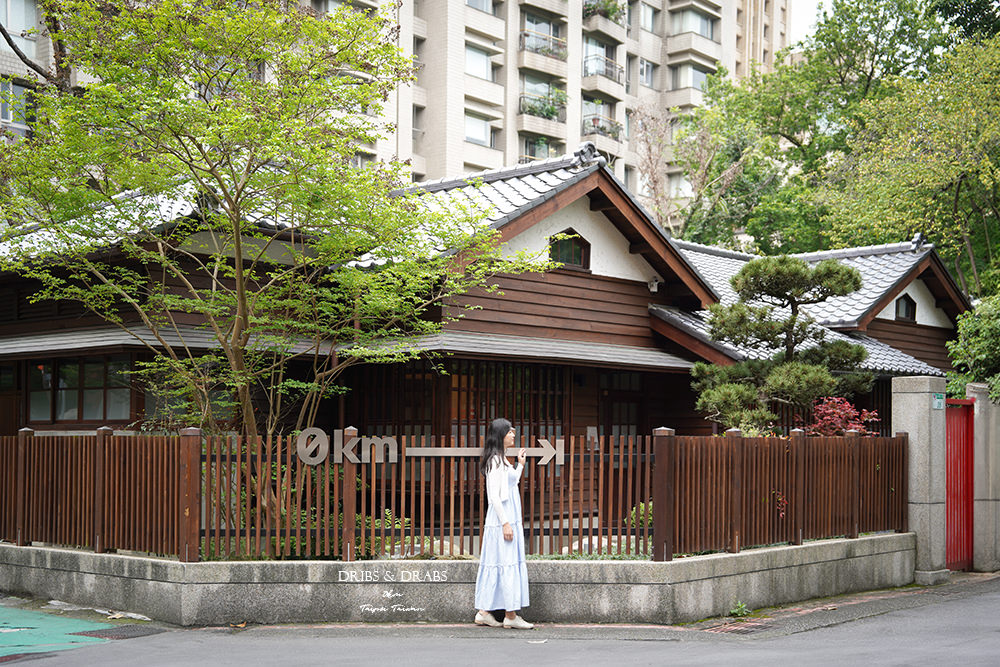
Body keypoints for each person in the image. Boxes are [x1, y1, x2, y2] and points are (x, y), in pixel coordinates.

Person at [474, 418, 533, 629]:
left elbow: (511, 484)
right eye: (510, 432)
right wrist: (506, 524)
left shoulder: (502, 459)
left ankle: (485, 613)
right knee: (506, 563)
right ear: (500, 435)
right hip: (502, 519)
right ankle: (509, 615)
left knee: (502, 563)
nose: (513, 435)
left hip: (507, 518)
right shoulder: (495, 461)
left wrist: (520, 466)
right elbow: (494, 498)